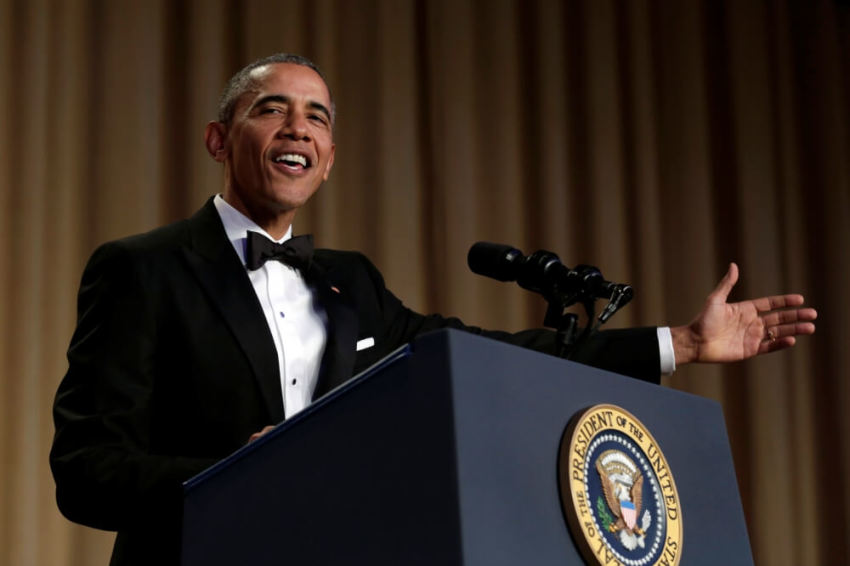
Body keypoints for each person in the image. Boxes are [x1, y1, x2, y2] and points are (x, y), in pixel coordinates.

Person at [49, 54, 817, 566]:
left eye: (317, 118)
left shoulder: (352, 284)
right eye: (271, 109)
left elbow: (487, 354)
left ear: (328, 158)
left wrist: (676, 343)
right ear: (220, 138)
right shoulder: (141, 271)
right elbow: (87, 473)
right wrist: (236, 473)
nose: (298, 128)